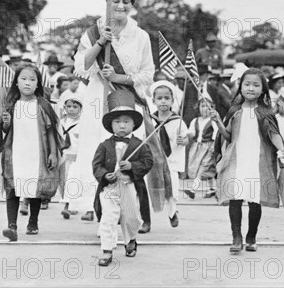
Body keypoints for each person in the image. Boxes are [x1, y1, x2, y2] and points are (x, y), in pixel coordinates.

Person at [66, 0, 170, 229]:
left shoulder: (141, 35)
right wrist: (102, 41)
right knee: (98, 149)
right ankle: (101, 212)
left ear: (132, 3)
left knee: (125, 151)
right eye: (115, 0)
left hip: (126, 98)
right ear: (107, 1)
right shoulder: (93, 32)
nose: (120, 6)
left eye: (126, 1)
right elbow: (81, 65)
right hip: (97, 97)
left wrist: (120, 78)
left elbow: (147, 73)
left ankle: (129, 211)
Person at [211, 68, 284, 254]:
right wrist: (218, 122)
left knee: (255, 200)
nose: (251, 88)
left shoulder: (265, 112)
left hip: (258, 162)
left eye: (256, 85)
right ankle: (236, 237)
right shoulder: (235, 110)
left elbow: (274, 134)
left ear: (263, 89)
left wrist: (282, 149)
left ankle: (251, 237)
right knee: (235, 198)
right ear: (240, 87)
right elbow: (228, 136)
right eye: (247, 84)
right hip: (237, 160)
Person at [0, 64, 62, 242]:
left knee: (34, 187)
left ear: (38, 84)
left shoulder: (43, 105)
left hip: (37, 153)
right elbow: (4, 132)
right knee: (13, 186)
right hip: (15, 153)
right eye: (23, 79)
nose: (27, 83)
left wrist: (53, 153)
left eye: (32, 80)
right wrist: (5, 123)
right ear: (16, 83)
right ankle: (12, 226)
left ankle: (33, 221)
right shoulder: (11, 105)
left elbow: (51, 131)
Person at [92, 90, 154, 267]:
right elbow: (96, 165)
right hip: (110, 188)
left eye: (126, 122)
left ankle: (131, 239)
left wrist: (133, 167)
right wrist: (105, 174)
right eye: (117, 122)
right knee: (108, 217)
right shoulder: (104, 146)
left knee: (131, 218)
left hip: (130, 186)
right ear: (110, 125)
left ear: (134, 124)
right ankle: (107, 250)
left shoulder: (140, 145)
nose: (122, 126)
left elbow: (148, 162)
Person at [149, 80, 188, 226]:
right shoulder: (150, 120)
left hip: (171, 160)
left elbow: (186, 137)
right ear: (153, 101)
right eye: (159, 98)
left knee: (172, 189)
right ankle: (146, 218)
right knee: (151, 189)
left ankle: (172, 212)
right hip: (154, 160)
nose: (163, 101)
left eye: (167, 98)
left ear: (172, 100)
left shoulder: (177, 121)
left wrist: (183, 140)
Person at [184, 98, 218, 199]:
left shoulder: (212, 120)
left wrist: (214, 145)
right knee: (206, 169)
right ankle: (212, 189)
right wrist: (187, 135)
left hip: (209, 146)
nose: (205, 109)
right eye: (202, 106)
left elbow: (216, 132)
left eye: (208, 107)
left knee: (203, 167)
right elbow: (192, 132)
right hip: (197, 147)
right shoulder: (195, 120)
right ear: (198, 108)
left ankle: (192, 190)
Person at [60, 95, 83, 219]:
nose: (71, 109)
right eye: (69, 106)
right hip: (63, 156)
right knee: (63, 181)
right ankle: (70, 204)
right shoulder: (61, 122)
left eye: (75, 107)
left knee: (72, 181)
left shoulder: (83, 123)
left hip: (76, 157)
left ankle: (68, 206)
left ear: (80, 108)